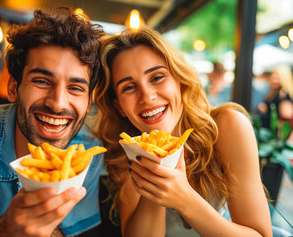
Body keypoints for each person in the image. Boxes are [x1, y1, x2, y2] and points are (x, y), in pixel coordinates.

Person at [0, 8, 104, 237]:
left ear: (89, 101)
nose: (57, 103)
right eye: (42, 81)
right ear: (14, 88)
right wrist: (6, 230)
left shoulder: (87, 154)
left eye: (75, 88)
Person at [93, 27, 272, 236]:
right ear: (119, 107)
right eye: (129, 88)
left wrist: (185, 199)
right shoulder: (125, 149)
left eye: (157, 77)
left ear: (179, 81)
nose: (147, 96)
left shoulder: (228, 125)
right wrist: (154, 171)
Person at [258, 64, 293, 129]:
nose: (273, 79)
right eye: (273, 76)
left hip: (276, 135)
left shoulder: (284, 94)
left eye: (277, 77)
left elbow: (287, 118)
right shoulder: (273, 93)